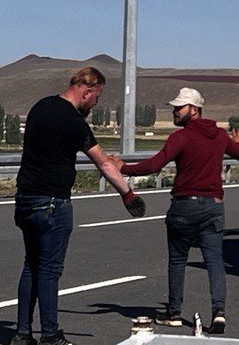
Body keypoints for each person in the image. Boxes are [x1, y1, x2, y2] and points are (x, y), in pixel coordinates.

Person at [11, 66, 145, 345]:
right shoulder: (73, 122)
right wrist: (128, 194)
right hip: (52, 202)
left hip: (25, 199)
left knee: (31, 266)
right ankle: (50, 335)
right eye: (96, 97)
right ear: (86, 92)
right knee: (49, 269)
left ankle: (22, 333)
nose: (95, 103)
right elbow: (104, 163)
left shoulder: (40, 107)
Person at [120, 87, 239, 335]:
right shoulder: (220, 136)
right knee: (215, 261)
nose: (174, 112)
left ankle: (174, 313)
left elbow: (154, 165)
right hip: (213, 207)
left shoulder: (180, 138)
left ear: (194, 110)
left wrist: (123, 168)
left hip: (184, 207)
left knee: (178, 259)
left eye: (179, 108)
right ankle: (219, 313)